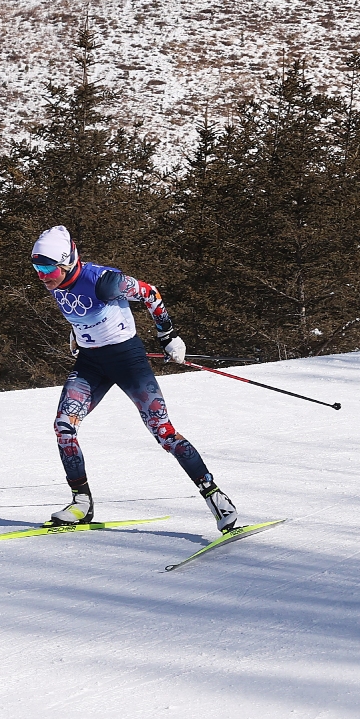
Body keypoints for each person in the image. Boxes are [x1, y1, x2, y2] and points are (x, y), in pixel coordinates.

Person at [30, 225, 239, 532]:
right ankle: (81, 503)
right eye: (37, 267)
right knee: (64, 427)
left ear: (68, 261)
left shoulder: (104, 281)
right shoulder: (56, 283)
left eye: (48, 267)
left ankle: (216, 497)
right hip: (91, 364)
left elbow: (150, 293)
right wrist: (78, 334)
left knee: (163, 431)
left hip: (128, 361)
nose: (42, 275)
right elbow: (83, 313)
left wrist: (168, 335)